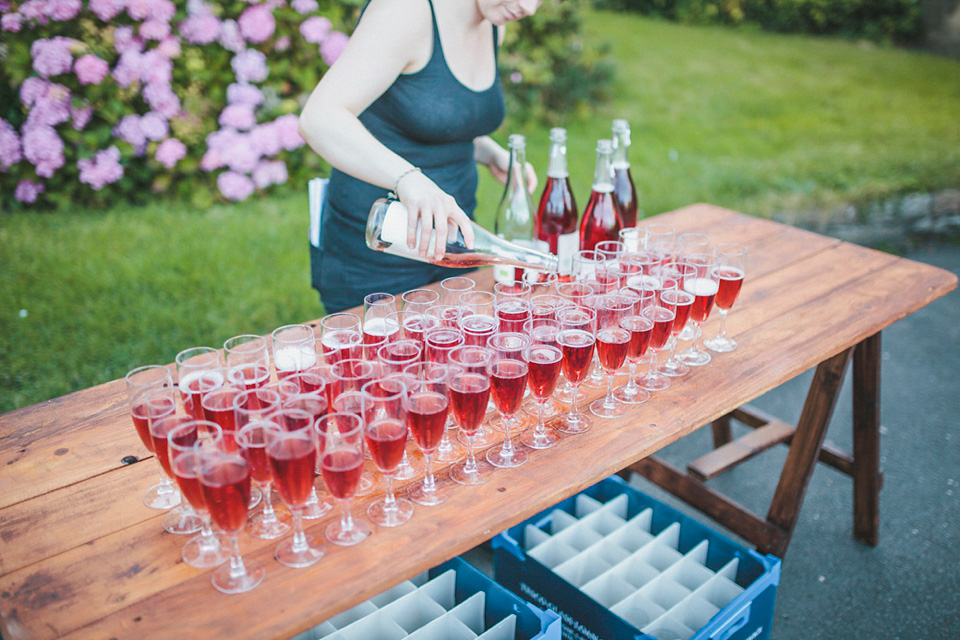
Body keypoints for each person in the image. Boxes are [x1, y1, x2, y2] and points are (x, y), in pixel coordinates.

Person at [298, 0, 541, 314]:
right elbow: (319, 119)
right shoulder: (404, 12)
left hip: (455, 246)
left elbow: (442, 113)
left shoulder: (494, 19)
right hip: (379, 251)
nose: (529, 7)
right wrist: (408, 179)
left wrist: (490, 152)